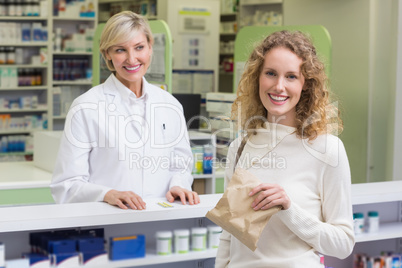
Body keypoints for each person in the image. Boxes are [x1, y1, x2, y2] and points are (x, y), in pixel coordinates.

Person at [215, 30, 355, 267]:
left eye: (291, 76)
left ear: (306, 85)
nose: (279, 86)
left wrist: (289, 209)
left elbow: (342, 244)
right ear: (257, 77)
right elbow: (229, 236)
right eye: (271, 73)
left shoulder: (327, 149)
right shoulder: (241, 146)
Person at [51, 11, 200, 210]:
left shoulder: (169, 104)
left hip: (161, 219)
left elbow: (181, 164)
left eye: (139, 47)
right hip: (108, 222)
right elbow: (66, 185)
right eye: (120, 50)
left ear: (150, 48)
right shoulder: (86, 107)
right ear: (107, 55)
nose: (132, 59)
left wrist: (178, 185)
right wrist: (107, 194)